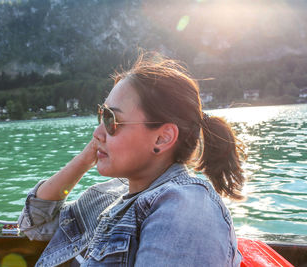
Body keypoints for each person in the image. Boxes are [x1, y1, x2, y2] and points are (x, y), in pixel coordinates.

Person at [18, 52, 245, 267]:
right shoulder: (109, 195)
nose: (97, 133)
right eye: (101, 115)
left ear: (162, 138)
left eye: (111, 119)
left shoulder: (186, 208)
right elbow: (36, 223)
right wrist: (87, 158)